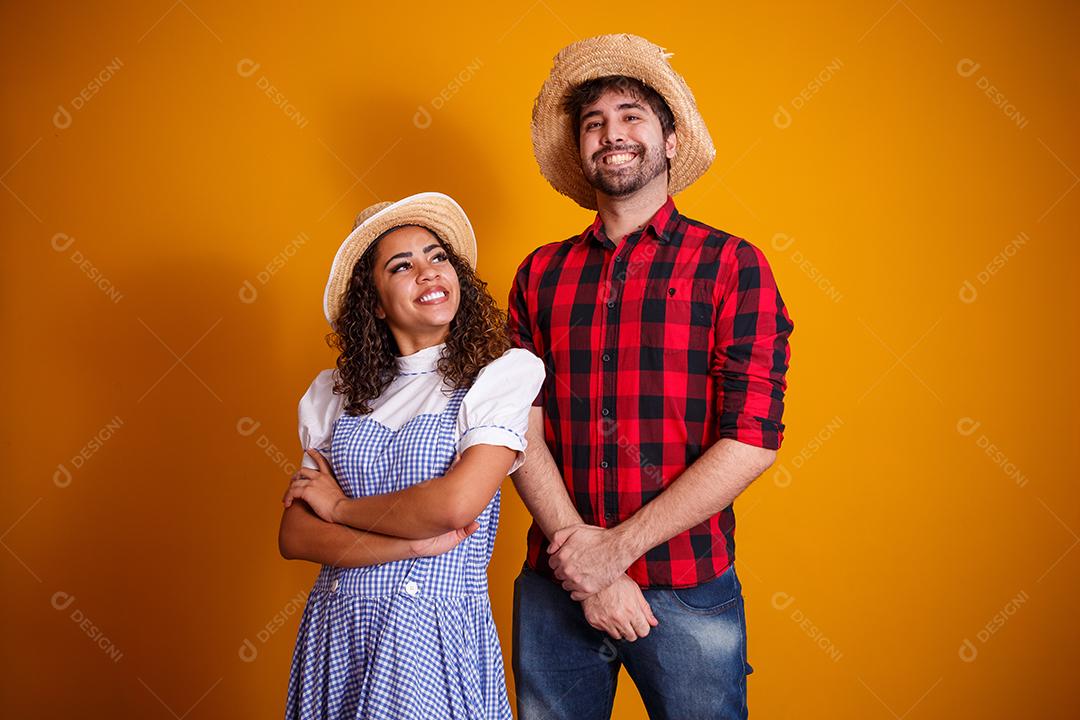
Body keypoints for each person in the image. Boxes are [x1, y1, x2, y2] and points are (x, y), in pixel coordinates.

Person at [508, 34, 794, 719]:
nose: (613, 134)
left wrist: (616, 552)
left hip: (685, 585)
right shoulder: (540, 274)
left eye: (631, 114)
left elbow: (752, 437)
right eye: (594, 122)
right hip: (557, 587)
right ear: (581, 150)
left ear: (669, 140)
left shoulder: (734, 266)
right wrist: (583, 562)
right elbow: (514, 425)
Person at [279, 192, 545, 720]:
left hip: (431, 629)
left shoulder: (499, 377)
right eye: (402, 266)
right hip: (339, 627)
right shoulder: (333, 392)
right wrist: (413, 547)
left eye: (437, 256)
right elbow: (295, 535)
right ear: (375, 302)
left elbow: (454, 506)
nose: (427, 272)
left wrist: (338, 510)